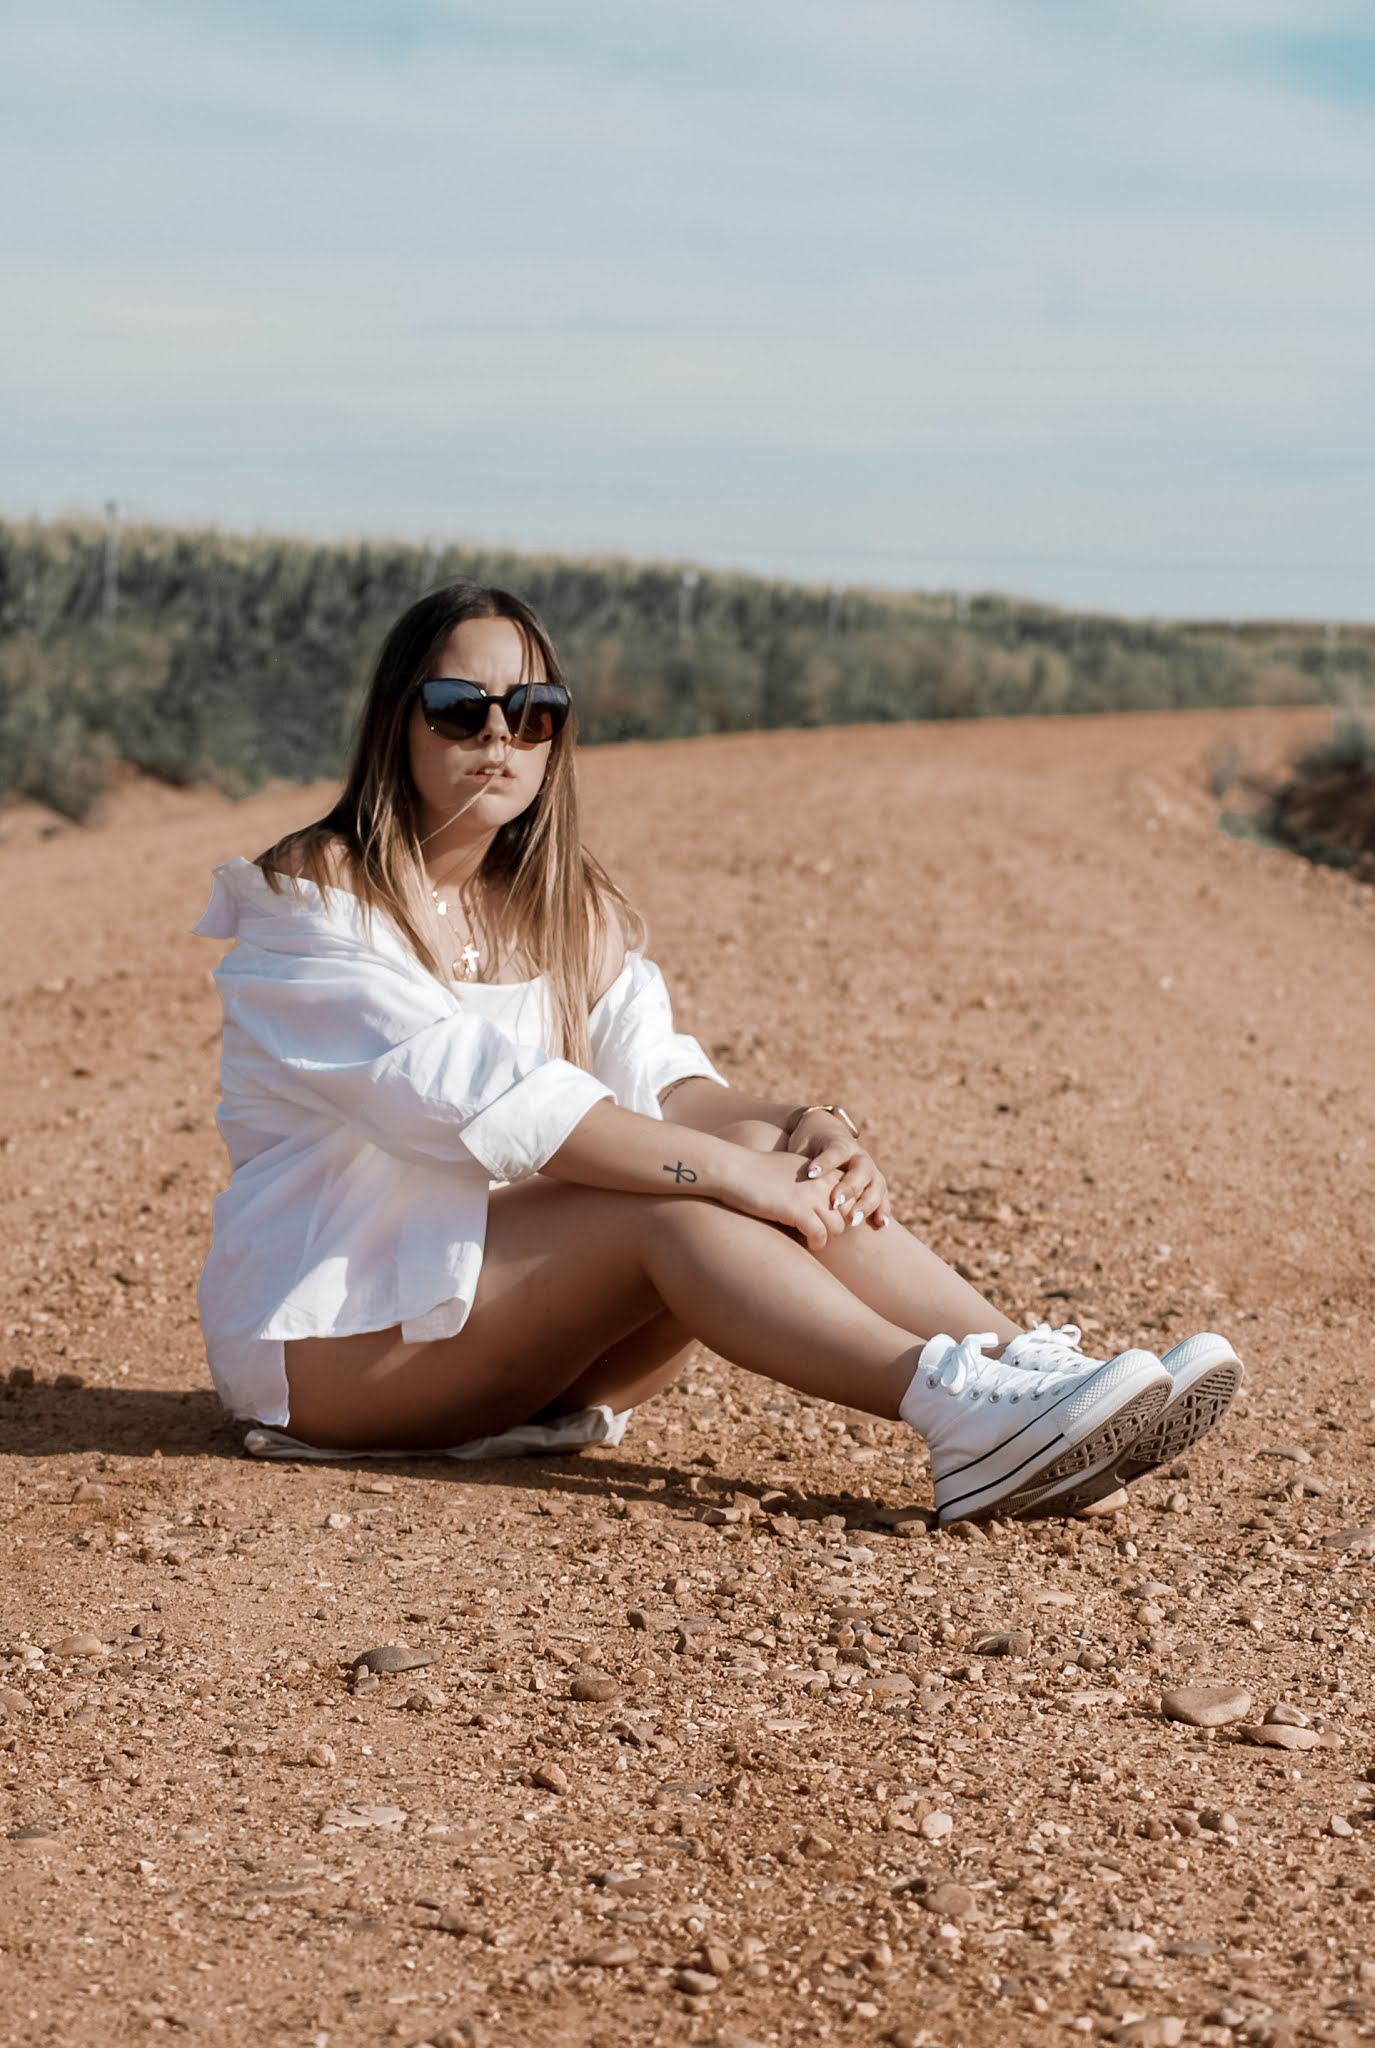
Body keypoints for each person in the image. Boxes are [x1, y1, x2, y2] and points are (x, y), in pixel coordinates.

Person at [192, 583, 1243, 1524]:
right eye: (461, 707)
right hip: (332, 1341)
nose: (499, 736)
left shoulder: (566, 908)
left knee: (743, 1144)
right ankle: (955, 1409)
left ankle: (1031, 1373)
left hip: (517, 1334)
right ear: (398, 719)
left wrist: (803, 1128)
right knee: (678, 1194)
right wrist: (740, 1173)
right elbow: (491, 1101)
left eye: (534, 712)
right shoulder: (314, 899)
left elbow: (668, 1084)